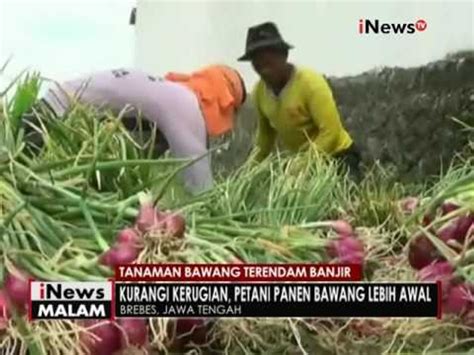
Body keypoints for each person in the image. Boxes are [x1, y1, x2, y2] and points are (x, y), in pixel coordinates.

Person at [23, 65, 246, 194]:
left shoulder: (168, 92)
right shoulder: (186, 104)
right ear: (223, 99)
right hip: (48, 128)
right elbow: (199, 183)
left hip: (48, 116)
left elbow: (143, 150)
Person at [238, 22, 361, 179]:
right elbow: (265, 137)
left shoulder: (310, 83)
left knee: (345, 202)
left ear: (284, 56)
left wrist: (301, 165)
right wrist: (248, 172)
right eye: (257, 63)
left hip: (338, 157)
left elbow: (332, 132)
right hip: (306, 165)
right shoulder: (259, 93)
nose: (264, 69)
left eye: (269, 61)